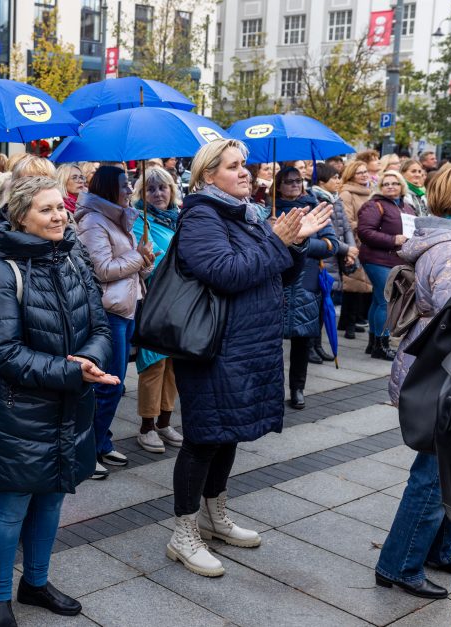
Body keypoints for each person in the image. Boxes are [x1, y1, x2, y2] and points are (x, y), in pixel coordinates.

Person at [165, 139, 330, 577]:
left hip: (246, 344)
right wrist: (277, 240)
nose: (245, 172)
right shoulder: (202, 215)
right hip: (214, 347)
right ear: (206, 176)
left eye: (245, 165)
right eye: (233, 166)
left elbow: (280, 270)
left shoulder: (247, 213)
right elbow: (227, 273)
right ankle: (182, 534)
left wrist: (294, 245)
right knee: (203, 437)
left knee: (228, 432)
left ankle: (214, 515)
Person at [0, 176, 114, 627]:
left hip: (70, 404)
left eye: (61, 207)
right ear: (21, 217)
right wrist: (74, 371)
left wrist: (87, 362)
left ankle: (35, 583)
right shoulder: (2, 271)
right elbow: (4, 353)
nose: (59, 216)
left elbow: (101, 328)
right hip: (20, 409)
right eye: (46, 209)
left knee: (53, 497)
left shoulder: (73, 256)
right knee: (10, 505)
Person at [377, 161, 451, 600]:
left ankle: (438, 549)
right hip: (448, 374)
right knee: (430, 473)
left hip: (444, 370)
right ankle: (398, 564)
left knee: (447, 470)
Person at [75, 165, 154, 478]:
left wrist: (144, 260)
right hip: (109, 311)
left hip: (127, 306)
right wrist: (138, 257)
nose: (130, 190)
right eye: (124, 185)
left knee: (115, 382)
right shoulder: (94, 220)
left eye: (130, 184)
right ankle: (87, 449)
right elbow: (103, 269)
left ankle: (102, 440)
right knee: (108, 384)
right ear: (109, 188)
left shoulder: (121, 217)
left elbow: (130, 265)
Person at [274, 166, 341, 409]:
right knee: (271, 340)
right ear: (278, 185)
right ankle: (273, 389)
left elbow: (331, 245)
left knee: (302, 339)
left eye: (298, 180)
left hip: (307, 280)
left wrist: (300, 240)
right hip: (277, 280)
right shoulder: (267, 210)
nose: (294, 184)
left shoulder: (315, 208)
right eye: (288, 181)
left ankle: (297, 389)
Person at [130, 166, 184, 453]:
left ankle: (165, 421)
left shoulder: (177, 219)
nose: (158, 193)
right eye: (151, 189)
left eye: (163, 188)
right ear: (143, 193)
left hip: (178, 301)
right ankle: (147, 426)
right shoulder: (139, 222)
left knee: (173, 364)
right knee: (153, 364)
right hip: (153, 301)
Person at [356, 170, 416, 360]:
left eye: (395, 183)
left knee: (378, 300)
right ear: (380, 187)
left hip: (394, 260)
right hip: (376, 259)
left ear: (401, 186)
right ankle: (381, 345)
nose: (390, 186)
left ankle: (374, 343)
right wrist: (393, 239)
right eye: (386, 183)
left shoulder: (407, 207)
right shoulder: (374, 205)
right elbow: (364, 232)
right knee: (387, 301)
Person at [311, 163, 360, 335]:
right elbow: (322, 232)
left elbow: (345, 227)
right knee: (319, 305)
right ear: (322, 181)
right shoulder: (314, 199)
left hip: (338, 255)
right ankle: (312, 345)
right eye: (334, 177)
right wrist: (346, 249)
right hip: (325, 256)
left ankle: (317, 344)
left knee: (327, 306)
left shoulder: (335, 199)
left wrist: (351, 250)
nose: (338, 181)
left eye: (339, 177)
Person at [338, 159, 374, 344]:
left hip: (368, 242)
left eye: (365, 171)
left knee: (362, 285)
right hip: (356, 241)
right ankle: (347, 324)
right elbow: (347, 220)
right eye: (359, 172)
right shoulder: (346, 193)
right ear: (351, 174)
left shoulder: (370, 192)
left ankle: (352, 320)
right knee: (352, 284)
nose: (364, 174)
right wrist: (369, 227)